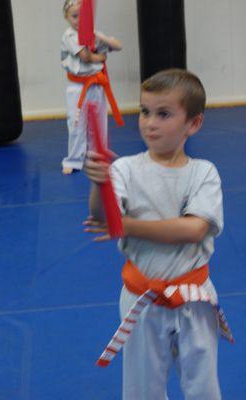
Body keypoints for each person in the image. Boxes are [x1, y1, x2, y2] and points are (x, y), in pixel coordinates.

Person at [84, 68, 226, 399]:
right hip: (141, 297)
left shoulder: (203, 173)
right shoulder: (125, 169)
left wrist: (126, 226)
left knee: (203, 385)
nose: (150, 122)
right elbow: (102, 216)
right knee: (142, 388)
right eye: (145, 111)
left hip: (194, 297)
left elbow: (193, 229)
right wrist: (99, 182)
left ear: (194, 123)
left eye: (163, 114)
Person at [61, 0, 122, 174]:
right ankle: (73, 160)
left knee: (99, 122)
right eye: (74, 16)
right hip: (78, 87)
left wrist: (100, 37)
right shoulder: (69, 36)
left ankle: (97, 156)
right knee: (77, 124)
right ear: (66, 17)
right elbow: (86, 57)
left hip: (97, 86)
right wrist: (101, 58)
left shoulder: (94, 33)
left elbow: (118, 45)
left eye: (83, 16)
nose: (78, 20)